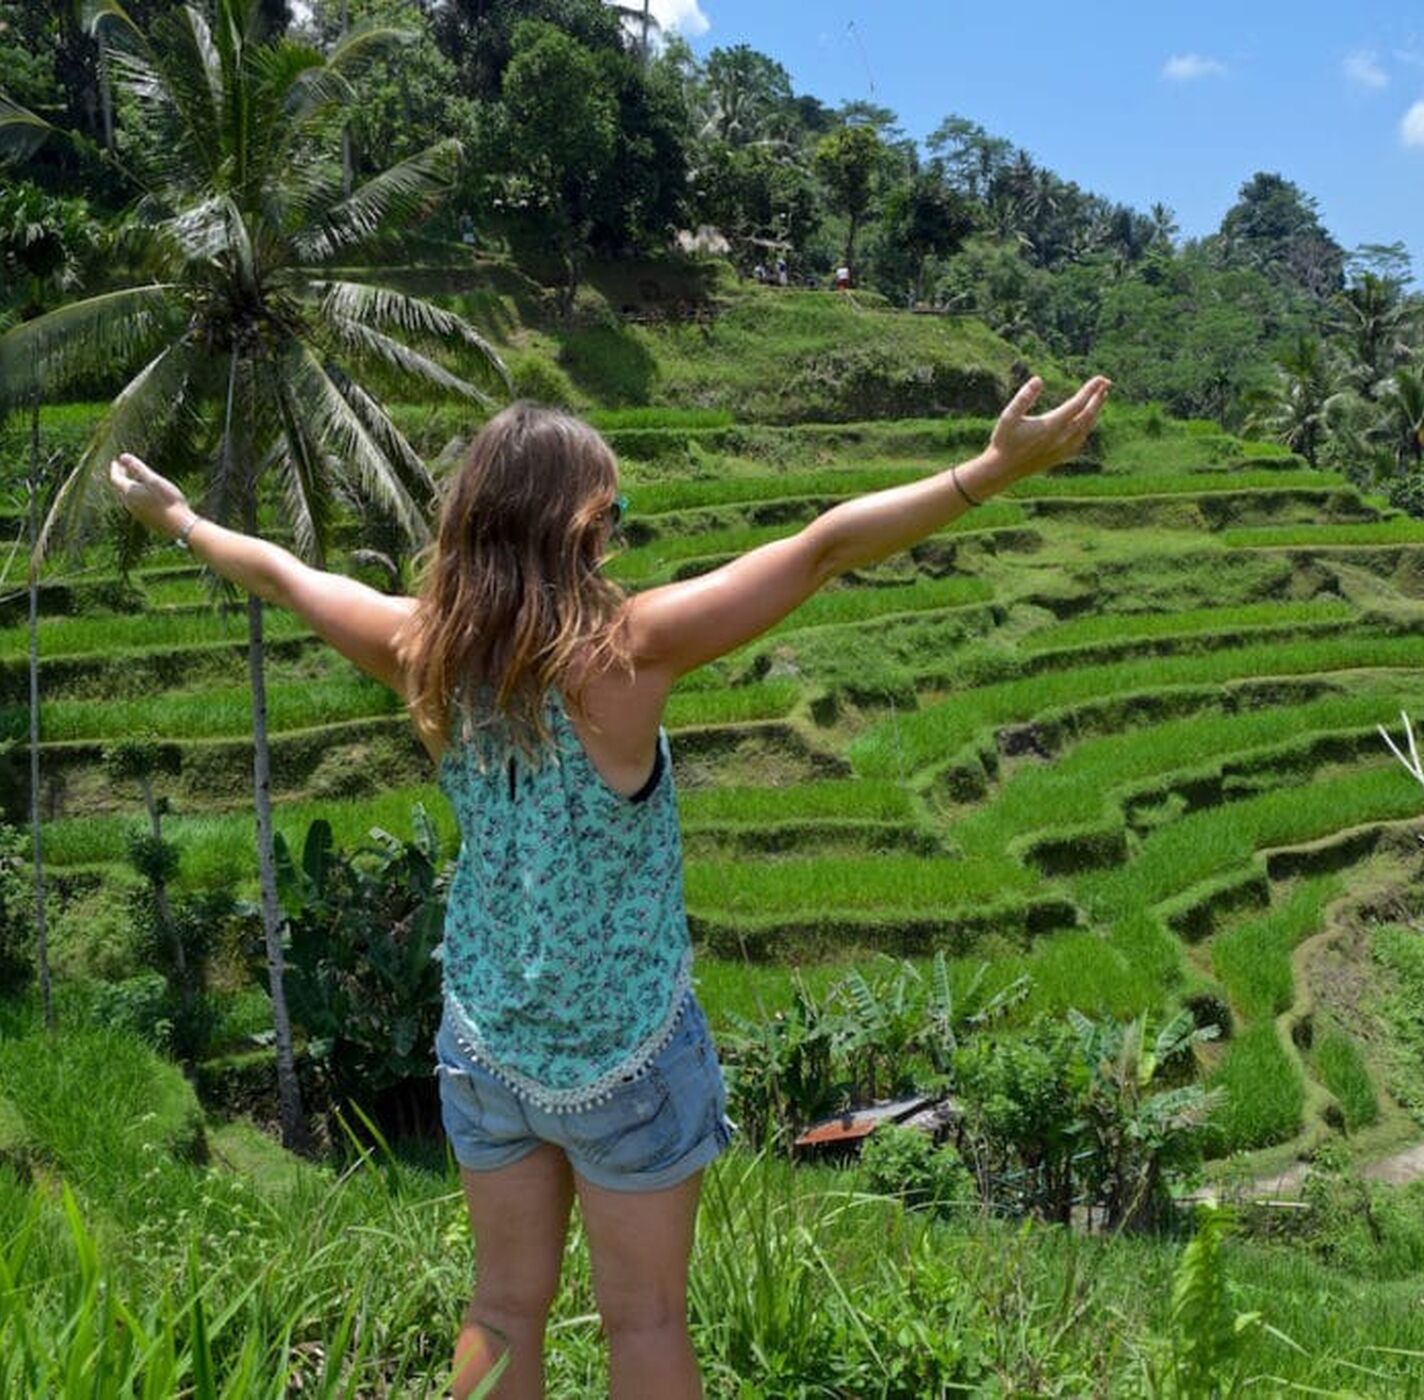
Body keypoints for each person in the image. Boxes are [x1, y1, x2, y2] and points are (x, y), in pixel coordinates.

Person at [103, 372, 1111, 1399]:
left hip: (490, 1044)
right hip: (629, 1053)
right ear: (584, 527)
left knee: (499, 1307)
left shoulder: (422, 650)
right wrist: (987, 471)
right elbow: (821, 548)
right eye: (612, 516)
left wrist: (180, 517)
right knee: (643, 1320)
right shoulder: (624, 653)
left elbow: (278, 574)